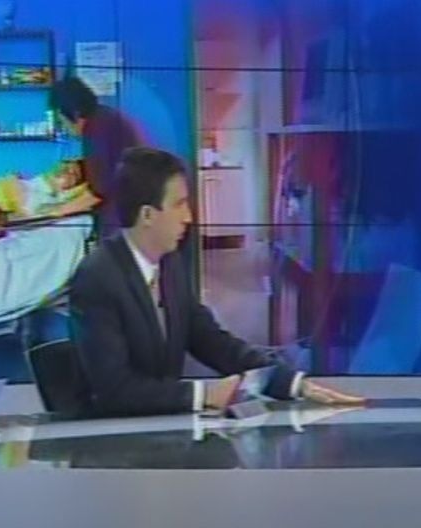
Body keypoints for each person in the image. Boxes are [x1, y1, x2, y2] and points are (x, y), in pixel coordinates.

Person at [68, 146, 362, 416]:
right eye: (179, 204)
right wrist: (204, 395)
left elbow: (211, 341)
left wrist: (292, 383)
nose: (188, 217)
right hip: (113, 441)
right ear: (147, 215)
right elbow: (115, 391)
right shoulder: (97, 278)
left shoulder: (170, 265)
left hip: (163, 430)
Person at [50, 77, 143, 236]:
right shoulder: (106, 117)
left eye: (63, 121)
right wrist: (78, 167)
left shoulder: (96, 131)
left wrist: (57, 212)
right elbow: (109, 163)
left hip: (120, 218)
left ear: (75, 114)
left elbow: (99, 191)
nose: (65, 128)